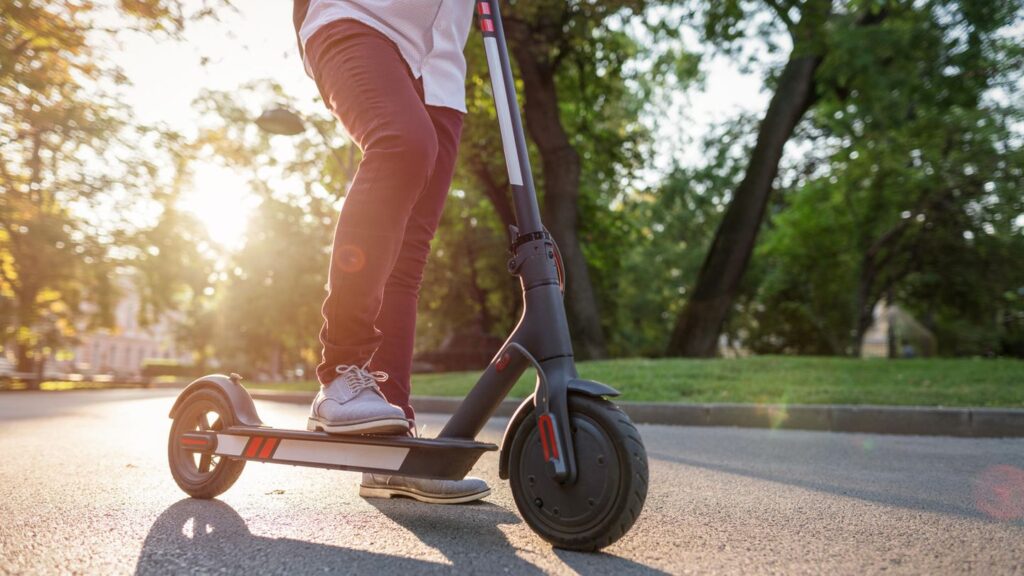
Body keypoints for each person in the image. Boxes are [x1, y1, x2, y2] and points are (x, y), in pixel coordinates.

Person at [292, 0, 489, 504]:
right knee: (403, 144)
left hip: (441, 66)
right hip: (358, 18)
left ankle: (390, 450)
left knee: (408, 254)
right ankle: (339, 373)